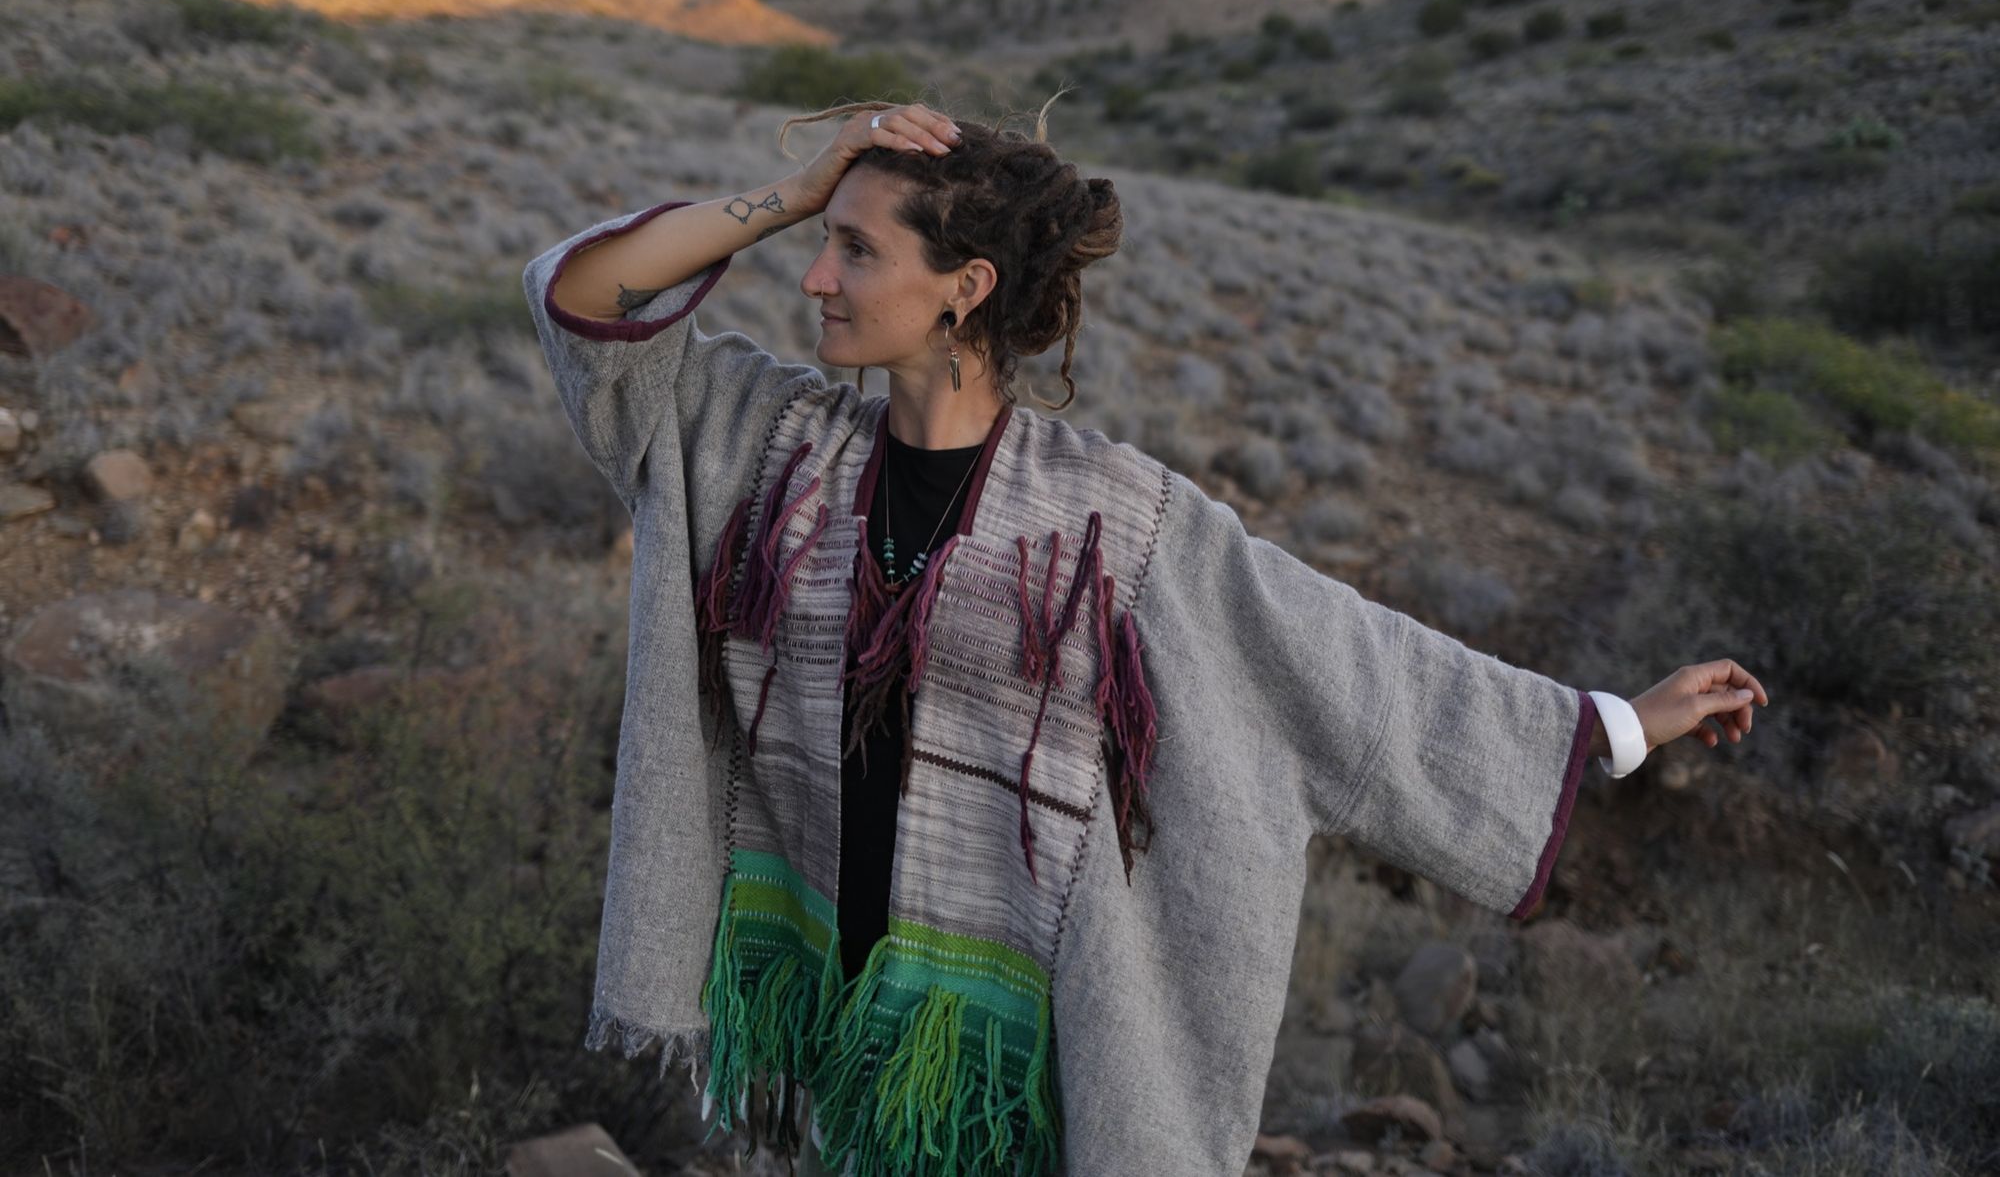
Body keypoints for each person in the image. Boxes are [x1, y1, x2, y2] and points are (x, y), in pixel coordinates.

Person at [521, 95, 1770, 1176]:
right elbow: (584, 296)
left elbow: (1352, 670)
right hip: (822, 992)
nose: (816, 276)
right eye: (823, 244)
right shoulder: (772, 441)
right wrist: (799, 190)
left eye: (852, 249)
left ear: (965, 289)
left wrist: (1610, 724)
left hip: (1003, 1050)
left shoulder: (1122, 524)